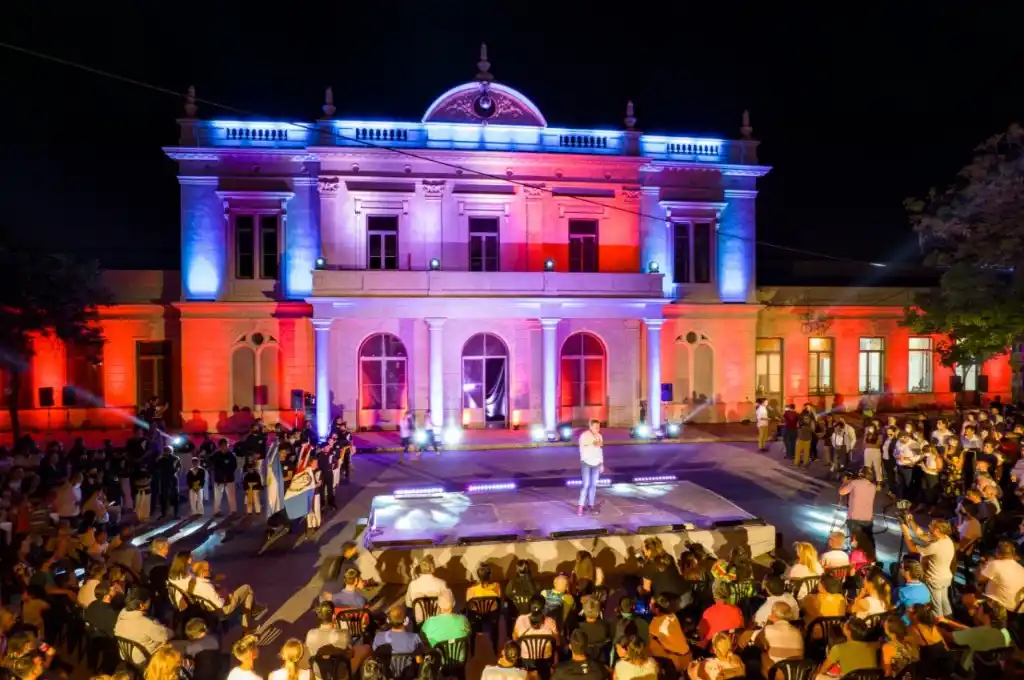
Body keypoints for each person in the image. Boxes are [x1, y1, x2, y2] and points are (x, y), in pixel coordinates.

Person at [900, 518, 955, 617]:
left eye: (931, 525)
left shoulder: (935, 545)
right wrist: (911, 521)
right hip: (945, 577)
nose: (929, 525)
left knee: (936, 607)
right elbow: (922, 535)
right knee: (944, 601)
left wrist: (906, 533)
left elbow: (912, 548)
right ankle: (949, 621)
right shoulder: (946, 538)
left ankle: (940, 627)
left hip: (935, 579)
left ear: (937, 530)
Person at [113, 588, 174, 664]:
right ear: (142, 605)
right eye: (148, 601)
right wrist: (167, 629)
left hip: (125, 656)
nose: (150, 603)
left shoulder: (122, 614)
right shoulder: (145, 623)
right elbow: (166, 635)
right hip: (141, 659)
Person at [753, 602, 804, 678]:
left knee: (761, 654)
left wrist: (768, 623)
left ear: (773, 614)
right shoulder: (798, 632)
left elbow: (757, 643)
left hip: (777, 674)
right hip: (796, 673)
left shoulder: (768, 630)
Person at [420, 589, 470, 655]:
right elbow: (469, 633)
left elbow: (422, 637)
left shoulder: (430, 622)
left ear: (439, 605)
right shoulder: (463, 620)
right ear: (454, 603)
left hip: (438, 661)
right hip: (460, 661)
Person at [977, 541, 1024, 611]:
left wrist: (982, 565)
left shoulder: (995, 564)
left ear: (997, 553)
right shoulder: (1022, 569)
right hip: (1016, 610)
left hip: (998, 609)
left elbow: (980, 578)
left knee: (970, 593)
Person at [839, 467, 877, 543]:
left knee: (854, 541)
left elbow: (841, 492)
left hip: (854, 517)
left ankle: (854, 551)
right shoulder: (873, 486)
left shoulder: (854, 483)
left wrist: (845, 482)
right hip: (867, 518)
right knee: (865, 541)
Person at [405, 555, 447, 623]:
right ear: (433, 567)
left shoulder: (412, 584)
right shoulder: (441, 583)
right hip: (437, 620)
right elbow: (451, 603)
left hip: (419, 621)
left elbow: (408, 603)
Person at [577, 419, 604, 516]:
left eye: (599, 427)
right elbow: (582, 449)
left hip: (596, 463)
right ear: (591, 427)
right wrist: (593, 443)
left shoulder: (599, 436)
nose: (598, 429)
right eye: (596, 427)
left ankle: (591, 505)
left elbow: (600, 450)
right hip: (586, 463)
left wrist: (601, 463)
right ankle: (580, 506)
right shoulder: (584, 436)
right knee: (586, 485)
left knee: (593, 485)